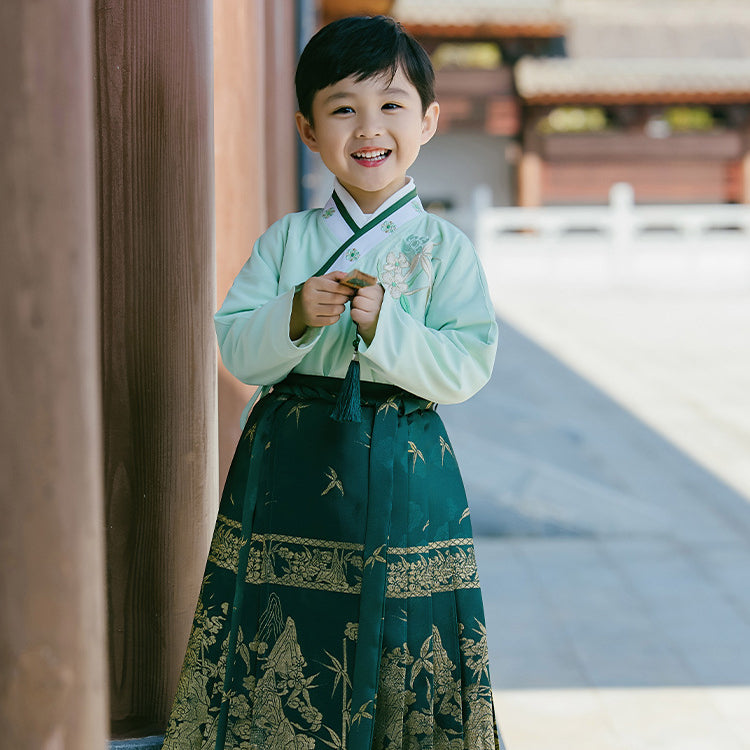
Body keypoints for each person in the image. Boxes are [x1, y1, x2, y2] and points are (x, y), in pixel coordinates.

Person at [163, 15, 504, 750]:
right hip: (291, 455)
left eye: (391, 106)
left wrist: (390, 328)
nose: (368, 127)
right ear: (308, 130)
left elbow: (469, 363)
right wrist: (293, 313)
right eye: (343, 108)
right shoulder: (288, 241)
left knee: (403, 628)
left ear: (430, 121)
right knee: (285, 620)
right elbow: (237, 350)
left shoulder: (444, 249)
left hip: (404, 459)